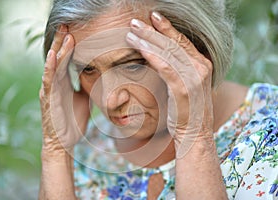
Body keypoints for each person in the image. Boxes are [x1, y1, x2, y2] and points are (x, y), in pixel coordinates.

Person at [38, 0, 278, 199]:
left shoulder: (269, 134)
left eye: (131, 65)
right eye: (88, 70)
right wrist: (56, 150)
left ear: (198, 47)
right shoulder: (88, 148)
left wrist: (193, 138)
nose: (110, 101)